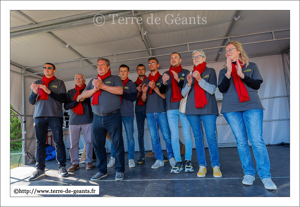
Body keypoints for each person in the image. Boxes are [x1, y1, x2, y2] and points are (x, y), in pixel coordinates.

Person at [218, 41, 277, 190]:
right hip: (231, 108)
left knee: (257, 140)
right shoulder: (223, 70)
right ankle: (249, 173)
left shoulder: (252, 66)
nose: (228, 52)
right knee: (241, 142)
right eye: (226, 51)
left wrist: (241, 75)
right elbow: (222, 89)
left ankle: (265, 176)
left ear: (238, 51)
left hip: (251, 106)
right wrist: (229, 73)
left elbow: (256, 85)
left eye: (230, 49)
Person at [79, 57, 125, 181]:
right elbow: (83, 95)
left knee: (117, 143)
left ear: (108, 67)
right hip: (97, 118)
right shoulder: (93, 81)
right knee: (98, 145)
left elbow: (120, 91)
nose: (100, 67)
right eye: (98, 65)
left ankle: (119, 170)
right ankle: (101, 171)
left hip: (113, 116)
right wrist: (95, 88)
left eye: (102, 65)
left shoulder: (115, 78)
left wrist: (102, 86)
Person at [181, 50, 222, 178]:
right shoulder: (189, 74)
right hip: (192, 110)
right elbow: (183, 94)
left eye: (198, 56)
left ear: (204, 58)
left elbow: (212, 89)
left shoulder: (210, 71)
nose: (196, 58)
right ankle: (202, 165)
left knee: (211, 138)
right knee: (198, 138)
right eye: (194, 57)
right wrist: (189, 83)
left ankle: (216, 166)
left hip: (208, 109)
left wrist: (199, 79)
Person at [28, 63, 68, 180]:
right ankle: (40, 169)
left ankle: (62, 167)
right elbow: (31, 101)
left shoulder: (59, 82)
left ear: (54, 71)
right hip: (39, 116)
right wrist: (35, 93)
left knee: (59, 141)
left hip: (55, 116)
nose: (46, 69)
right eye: (44, 68)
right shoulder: (37, 82)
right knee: (39, 143)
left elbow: (63, 99)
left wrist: (48, 91)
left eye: (49, 68)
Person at [159, 52, 193, 174]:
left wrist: (178, 79)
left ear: (180, 59)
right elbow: (162, 91)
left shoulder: (186, 72)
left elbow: (188, 88)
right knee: (174, 136)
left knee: (187, 134)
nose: (173, 59)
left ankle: (188, 160)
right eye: (171, 58)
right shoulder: (166, 74)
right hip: (170, 107)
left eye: (175, 58)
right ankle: (178, 161)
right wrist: (163, 82)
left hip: (183, 107)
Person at [141, 57, 176, 169]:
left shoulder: (163, 78)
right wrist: (145, 92)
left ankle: (171, 157)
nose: (151, 65)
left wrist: (155, 87)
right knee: (154, 138)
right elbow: (144, 99)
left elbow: (164, 96)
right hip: (149, 112)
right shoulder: (145, 81)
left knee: (166, 136)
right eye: (149, 63)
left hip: (161, 111)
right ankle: (159, 159)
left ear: (158, 65)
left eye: (153, 63)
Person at [108, 64, 137, 168]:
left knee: (130, 137)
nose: (123, 73)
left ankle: (131, 159)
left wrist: (121, 92)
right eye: (121, 71)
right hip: (115, 113)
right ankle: (113, 158)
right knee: (114, 137)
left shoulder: (131, 84)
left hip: (127, 114)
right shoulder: (115, 83)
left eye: (125, 71)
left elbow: (133, 97)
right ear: (119, 72)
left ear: (128, 72)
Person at [64, 73, 93, 171]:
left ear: (84, 80)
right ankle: (75, 163)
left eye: (80, 78)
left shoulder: (89, 91)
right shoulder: (70, 92)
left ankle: (88, 161)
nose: (78, 79)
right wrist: (76, 100)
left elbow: (93, 103)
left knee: (89, 142)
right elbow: (66, 106)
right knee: (73, 144)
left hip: (87, 119)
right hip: (74, 121)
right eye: (76, 78)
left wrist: (85, 98)